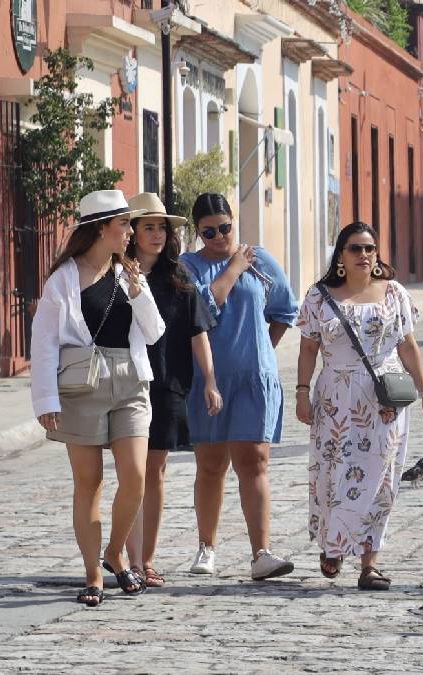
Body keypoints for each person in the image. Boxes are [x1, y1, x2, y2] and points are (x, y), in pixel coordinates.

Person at [30, 189, 165, 607]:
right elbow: (45, 343)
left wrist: (140, 293)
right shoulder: (63, 279)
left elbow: (156, 331)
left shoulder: (130, 274)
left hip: (130, 381)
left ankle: (115, 550)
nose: (130, 232)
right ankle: (94, 573)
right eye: (124, 224)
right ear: (101, 228)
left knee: (136, 477)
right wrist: (45, 400)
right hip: (81, 385)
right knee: (89, 482)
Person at [294, 222, 423, 590]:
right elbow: (309, 348)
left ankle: (369, 563)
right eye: (356, 248)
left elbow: (408, 346)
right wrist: (300, 392)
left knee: (381, 479)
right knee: (335, 473)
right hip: (335, 399)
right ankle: (333, 543)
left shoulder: (394, 294)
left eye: (370, 249)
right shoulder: (319, 296)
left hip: (384, 399)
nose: (364, 255)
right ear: (341, 255)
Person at [179, 192, 299, 580]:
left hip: (252, 378)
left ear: (235, 221)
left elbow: (284, 310)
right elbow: (204, 308)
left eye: (224, 227)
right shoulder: (189, 266)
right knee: (210, 466)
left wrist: (263, 348)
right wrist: (233, 268)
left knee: (255, 463)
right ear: (198, 233)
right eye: (208, 231)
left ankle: (261, 553)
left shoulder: (261, 260)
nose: (218, 236)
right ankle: (206, 548)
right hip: (207, 379)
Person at [117, 192, 222, 588]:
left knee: (155, 471)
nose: (157, 234)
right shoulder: (115, 275)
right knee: (132, 471)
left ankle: (145, 559)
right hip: (126, 382)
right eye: (149, 227)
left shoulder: (180, 278)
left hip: (168, 383)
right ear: (133, 233)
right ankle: (123, 556)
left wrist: (210, 381)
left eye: (162, 228)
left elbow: (198, 334)